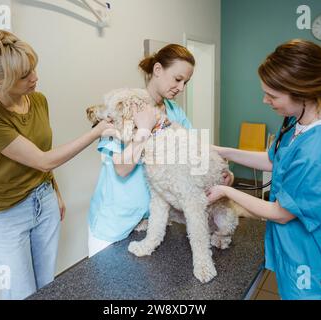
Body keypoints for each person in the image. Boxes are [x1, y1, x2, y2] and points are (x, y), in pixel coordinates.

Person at [207, 39, 321, 300]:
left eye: (272, 95)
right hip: (297, 256)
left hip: (317, 273)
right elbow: (274, 161)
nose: (265, 100)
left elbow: (281, 213)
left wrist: (226, 191)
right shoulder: (299, 122)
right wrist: (221, 150)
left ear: (302, 92)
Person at [0, 29, 111, 299]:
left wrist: (53, 191)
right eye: (24, 75)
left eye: (33, 69)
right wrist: (96, 132)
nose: (35, 78)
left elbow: (41, 156)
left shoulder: (38, 100)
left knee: (47, 286)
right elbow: (43, 159)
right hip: (6, 214)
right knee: (21, 293)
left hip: (43, 202)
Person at [87, 44, 232, 257]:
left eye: (186, 82)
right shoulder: (125, 106)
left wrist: (223, 171)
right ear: (157, 70)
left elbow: (196, 149)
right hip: (115, 222)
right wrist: (144, 129)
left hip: (153, 221)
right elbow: (122, 168)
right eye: (177, 79)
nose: (181, 88)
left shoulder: (175, 112)